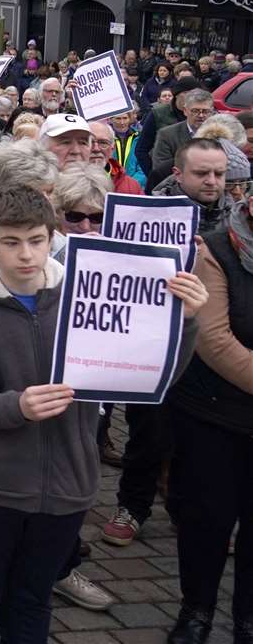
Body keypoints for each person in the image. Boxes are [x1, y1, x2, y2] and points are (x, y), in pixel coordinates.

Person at [0, 187, 204, 644]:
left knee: (32, 596)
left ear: (52, 238)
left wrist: (181, 322)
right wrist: (16, 406)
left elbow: (147, 379)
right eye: (10, 242)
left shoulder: (84, 299)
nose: (26, 254)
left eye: (36, 240)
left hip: (68, 481)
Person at [165, 200, 253, 643]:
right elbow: (214, 339)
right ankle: (196, 610)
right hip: (215, 412)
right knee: (207, 520)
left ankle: (248, 619)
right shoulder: (217, 250)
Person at [158, 139, 236, 233]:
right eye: (201, 173)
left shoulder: (242, 217)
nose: (211, 181)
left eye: (219, 174)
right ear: (178, 175)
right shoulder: (152, 218)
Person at [151, 89, 217, 189]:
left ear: (212, 111)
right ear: (185, 111)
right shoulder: (167, 135)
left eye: (205, 111)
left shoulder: (219, 135)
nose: (201, 115)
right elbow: (161, 171)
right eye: (195, 111)